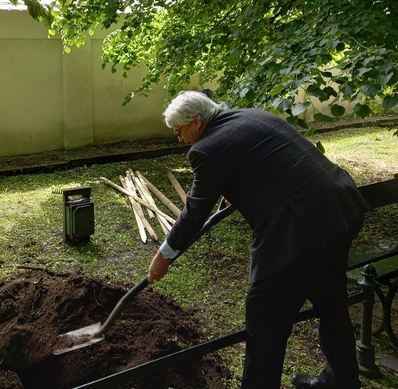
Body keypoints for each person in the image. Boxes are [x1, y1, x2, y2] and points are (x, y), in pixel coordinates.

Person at [148, 91, 369, 389]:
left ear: (196, 122)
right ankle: (341, 381)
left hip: (302, 229)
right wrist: (238, 186)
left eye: (179, 131)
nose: (179, 139)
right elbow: (269, 162)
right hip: (341, 209)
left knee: (264, 319)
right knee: (331, 303)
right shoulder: (252, 115)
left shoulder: (206, 149)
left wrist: (164, 256)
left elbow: (193, 212)